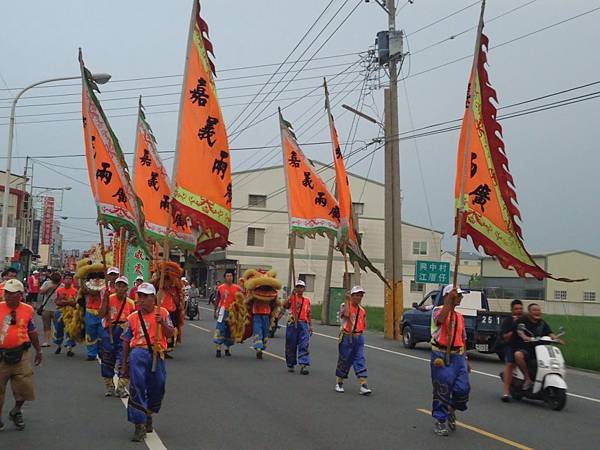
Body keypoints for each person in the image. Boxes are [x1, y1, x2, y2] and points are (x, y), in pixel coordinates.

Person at [121, 282, 174, 442]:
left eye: (145, 296)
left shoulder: (163, 313)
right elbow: (125, 341)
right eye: (140, 296)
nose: (141, 300)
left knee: (158, 385)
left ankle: (148, 412)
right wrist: (124, 364)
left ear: (153, 298)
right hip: (138, 353)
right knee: (138, 386)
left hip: (157, 354)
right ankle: (139, 424)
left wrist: (162, 323)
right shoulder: (132, 317)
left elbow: (170, 334)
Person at [0, 279, 42, 431]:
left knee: (25, 387)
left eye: (12, 294)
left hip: (21, 354)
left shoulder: (27, 309)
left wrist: (38, 350)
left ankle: (16, 411)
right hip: (1, 356)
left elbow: (32, 331)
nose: (8, 296)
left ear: (21, 295)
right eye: (7, 293)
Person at [430, 285, 471, 437]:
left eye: (460, 296)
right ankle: (440, 420)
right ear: (449, 296)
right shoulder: (438, 310)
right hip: (440, 355)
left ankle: (451, 410)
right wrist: (448, 301)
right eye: (457, 295)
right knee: (443, 388)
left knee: (463, 389)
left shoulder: (460, 316)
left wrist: (466, 359)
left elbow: (463, 339)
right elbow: (440, 320)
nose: (460, 298)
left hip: (458, 356)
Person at [99, 276, 135, 398]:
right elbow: (101, 314)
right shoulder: (109, 299)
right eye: (118, 285)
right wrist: (104, 301)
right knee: (107, 358)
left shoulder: (130, 303)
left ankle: (121, 387)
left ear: (126, 288)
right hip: (109, 331)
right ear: (115, 287)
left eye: (123, 286)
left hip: (124, 333)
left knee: (125, 359)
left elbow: (134, 320)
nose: (120, 288)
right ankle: (109, 386)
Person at [514, 303, 563, 391]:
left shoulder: (542, 322)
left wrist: (556, 339)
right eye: (534, 310)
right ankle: (527, 379)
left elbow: (549, 333)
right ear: (529, 312)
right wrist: (525, 337)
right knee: (518, 355)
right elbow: (520, 331)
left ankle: (543, 380)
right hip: (526, 348)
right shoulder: (523, 320)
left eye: (538, 310)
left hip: (540, 350)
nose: (537, 312)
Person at [335, 286, 371, 395]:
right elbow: (346, 315)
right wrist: (346, 300)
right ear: (352, 296)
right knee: (345, 359)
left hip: (358, 337)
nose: (359, 297)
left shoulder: (362, 310)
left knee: (360, 359)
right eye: (356, 295)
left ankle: (363, 384)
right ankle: (339, 382)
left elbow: (363, 324)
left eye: (361, 295)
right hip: (347, 336)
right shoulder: (345, 306)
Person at [284, 280, 312, 374]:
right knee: (291, 344)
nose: (299, 289)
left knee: (304, 344)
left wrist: (310, 326)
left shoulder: (306, 301)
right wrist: (291, 296)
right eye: (298, 287)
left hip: (303, 324)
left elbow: (308, 314)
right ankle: (291, 364)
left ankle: (303, 364)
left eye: (301, 287)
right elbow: (285, 305)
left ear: (304, 289)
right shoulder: (292, 298)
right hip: (292, 323)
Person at [500, 299, 524, 401]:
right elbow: (505, 337)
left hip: (525, 346)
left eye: (520, 308)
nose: (518, 311)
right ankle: (506, 392)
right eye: (516, 309)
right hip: (512, 346)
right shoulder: (508, 321)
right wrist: (514, 326)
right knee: (510, 364)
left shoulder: (526, 319)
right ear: (512, 310)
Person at [213, 272, 240, 358]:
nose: (229, 277)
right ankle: (218, 349)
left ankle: (227, 349)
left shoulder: (237, 288)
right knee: (220, 328)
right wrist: (215, 310)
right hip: (223, 310)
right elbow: (217, 299)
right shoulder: (220, 288)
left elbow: (240, 301)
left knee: (230, 330)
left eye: (230, 276)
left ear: (233, 277)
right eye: (227, 276)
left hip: (233, 311)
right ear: (225, 277)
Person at [53, 272, 78, 357]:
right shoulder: (59, 290)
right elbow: (56, 301)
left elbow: (76, 303)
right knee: (58, 329)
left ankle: (69, 348)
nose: (68, 280)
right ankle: (58, 345)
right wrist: (64, 302)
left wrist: (68, 302)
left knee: (70, 330)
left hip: (71, 313)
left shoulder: (75, 291)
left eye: (70, 279)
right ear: (63, 280)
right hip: (60, 312)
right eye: (67, 278)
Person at [38, 272, 62, 348]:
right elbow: (41, 292)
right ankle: (46, 341)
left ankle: (58, 341)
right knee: (46, 325)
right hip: (46, 308)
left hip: (57, 308)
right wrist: (49, 288)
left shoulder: (62, 285)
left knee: (58, 326)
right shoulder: (47, 283)